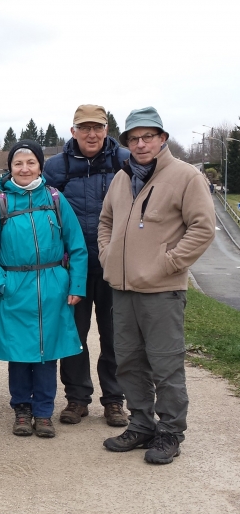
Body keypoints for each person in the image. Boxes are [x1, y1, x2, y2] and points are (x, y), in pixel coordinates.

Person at [99, 107, 215, 464]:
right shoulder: (121, 178)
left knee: (165, 366)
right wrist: (108, 256)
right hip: (122, 289)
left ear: (162, 138)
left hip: (162, 292)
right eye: (134, 138)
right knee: (129, 363)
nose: (141, 143)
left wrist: (168, 263)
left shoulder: (185, 177)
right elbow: (105, 221)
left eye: (148, 136)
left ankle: (170, 433)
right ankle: (141, 424)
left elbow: (202, 228)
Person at [0, 140, 87, 438]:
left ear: (40, 166)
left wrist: (75, 284)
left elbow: (76, 246)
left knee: (47, 353)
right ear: (10, 168)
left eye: (30, 162)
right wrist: (1, 284)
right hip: (15, 288)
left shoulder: (56, 199)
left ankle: (43, 412)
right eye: (18, 163)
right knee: (19, 353)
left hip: (53, 287)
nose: (24, 168)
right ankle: (21, 410)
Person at [42, 104, 129, 427]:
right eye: (85, 128)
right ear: (73, 131)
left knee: (115, 336)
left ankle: (114, 400)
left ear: (106, 130)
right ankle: (77, 399)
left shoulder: (124, 161)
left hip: (114, 265)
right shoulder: (55, 166)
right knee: (74, 335)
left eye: (98, 127)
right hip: (73, 268)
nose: (91, 134)